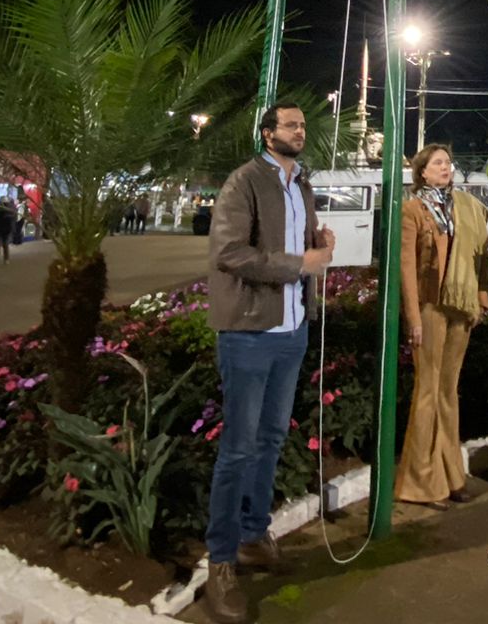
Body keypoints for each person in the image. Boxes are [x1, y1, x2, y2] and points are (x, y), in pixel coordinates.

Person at [202, 102, 334, 624]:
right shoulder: (244, 182)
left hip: (292, 332)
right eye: (291, 125)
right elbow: (229, 252)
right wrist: (300, 262)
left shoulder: (302, 183)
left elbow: (297, 246)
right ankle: (220, 559)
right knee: (237, 448)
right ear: (267, 132)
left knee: (273, 438)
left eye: (303, 126)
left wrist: (317, 245)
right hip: (250, 332)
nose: (300, 132)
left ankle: (255, 536)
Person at [396, 144, 488, 509]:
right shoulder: (412, 210)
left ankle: (452, 476)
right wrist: (414, 319)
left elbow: (480, 254)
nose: (445, 167)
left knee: (448, 392)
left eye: (448, 162)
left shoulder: (466, 206)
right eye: (438, 163)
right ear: (422, 171)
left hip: (460, 307)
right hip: (431, 306)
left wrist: (481, 298)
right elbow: (406, 267)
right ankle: (421, 482)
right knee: (427, 391)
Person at [0, 198, 17, 264]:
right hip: (6, 230)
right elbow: (12, 221)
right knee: (5, 245)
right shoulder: (10, 212)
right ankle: (6, 259)